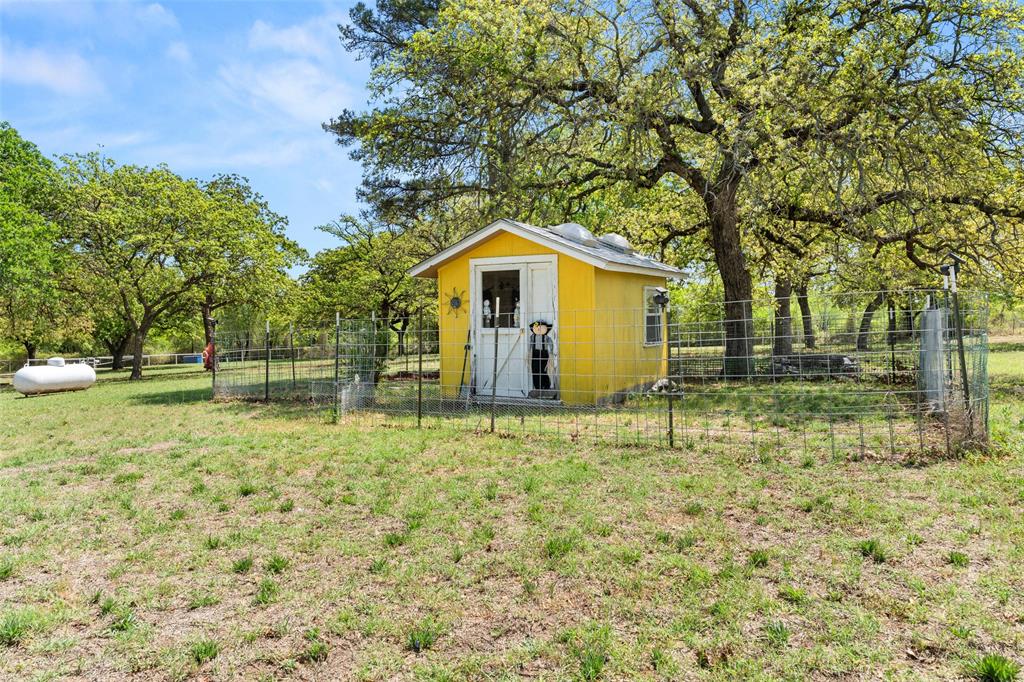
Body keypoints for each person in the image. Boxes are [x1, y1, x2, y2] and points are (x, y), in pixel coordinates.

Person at [529, 320, 553, 391]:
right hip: (535, 354)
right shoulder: (532, 337)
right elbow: (530, 345)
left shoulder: (546, 337)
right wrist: (528, 352)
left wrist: (551, 352)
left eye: (541, 328)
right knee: (535, 370)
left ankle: (546, 385)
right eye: (537, 327)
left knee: (543, 370)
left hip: (544, 354)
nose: (539, 329)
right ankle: (537, 386)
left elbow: (551, 344)